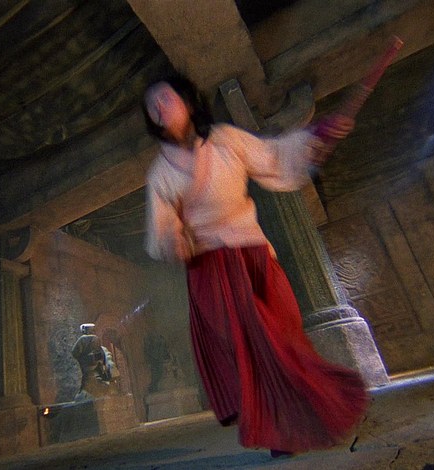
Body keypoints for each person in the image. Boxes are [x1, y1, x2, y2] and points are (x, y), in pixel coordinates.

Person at [142, 75, 369, 457]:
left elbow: (274, 157)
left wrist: (315, 139)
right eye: (152, 107)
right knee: (252, 352)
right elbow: (162, 230)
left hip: (253, 254)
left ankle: (317, 410)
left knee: (283, 341)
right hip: (210, 271)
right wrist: (174, 240)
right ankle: (279, 433)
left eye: (165, 98)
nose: (159, 107)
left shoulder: (225, 140)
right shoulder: (160, 173)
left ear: (187, 102)